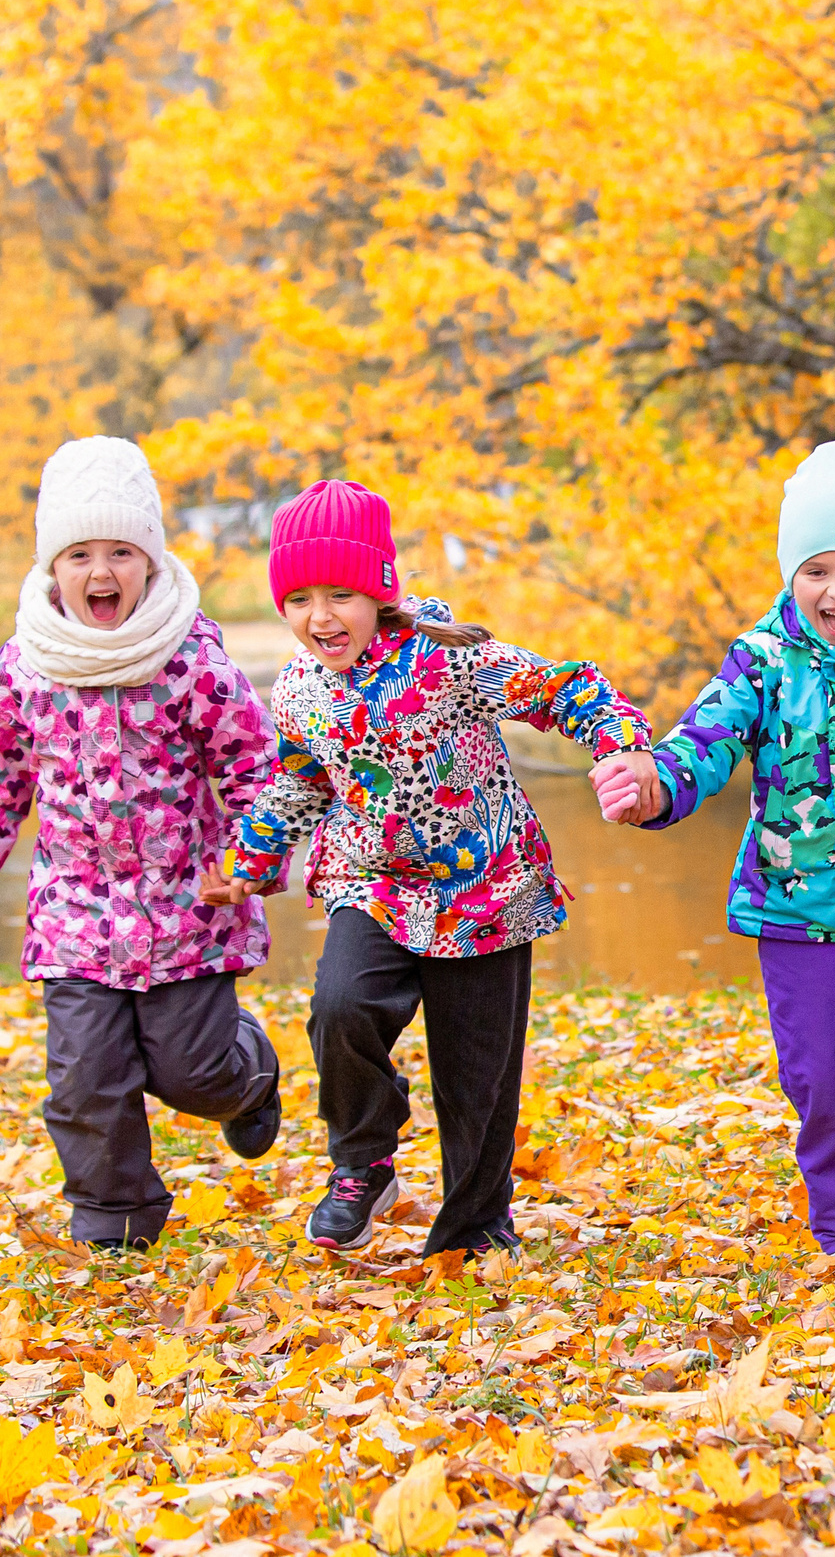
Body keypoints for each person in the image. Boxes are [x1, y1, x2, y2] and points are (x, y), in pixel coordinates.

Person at [210, 480, 664, 1257]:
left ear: (381, 590)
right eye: (301, 598)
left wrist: (618, 740)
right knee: (340, 1007)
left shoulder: (449, 661)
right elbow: (302, 778)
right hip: (375, 883)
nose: (322, 617)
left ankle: (475, 1230)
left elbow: (564, 688)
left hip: (485, 885)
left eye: (342, 595)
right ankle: (363, 1158)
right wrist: (254, 852)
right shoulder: (296, 690)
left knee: (475, 1073)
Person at [591, 443, 835, 1250]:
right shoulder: (759, 661)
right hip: (795, 900)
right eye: (817, 570)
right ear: (789, 573)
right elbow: (702, 742)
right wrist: (652, 784)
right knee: (828, 1076)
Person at [0, 437, 283, 1252]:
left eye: (121, 551)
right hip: (75, 921)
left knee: (192, 1070)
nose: (101, 571)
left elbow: (254, 764)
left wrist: (253, 860)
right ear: (55, 568)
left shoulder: (190, 659)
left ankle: (251, 1074)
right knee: (86, 1080)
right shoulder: (26, 666)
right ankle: (114, 1218)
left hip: (187, 916)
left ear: (150, 561)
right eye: (80, 554)